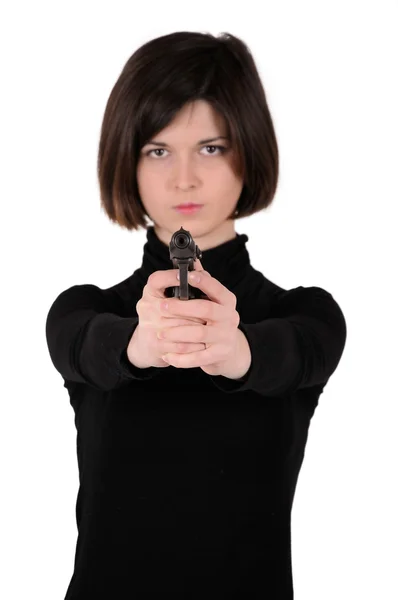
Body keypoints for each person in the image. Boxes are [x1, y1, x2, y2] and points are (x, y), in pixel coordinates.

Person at [45, 31, 347, 599]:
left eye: (212, 148)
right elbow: (88, 344)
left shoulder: (304, 315)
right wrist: (141, 345)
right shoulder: (86, 310)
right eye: (158, 150)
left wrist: (239, 352)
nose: (184, 178)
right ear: (127, 161)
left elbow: (292, 351)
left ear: (249, 152)